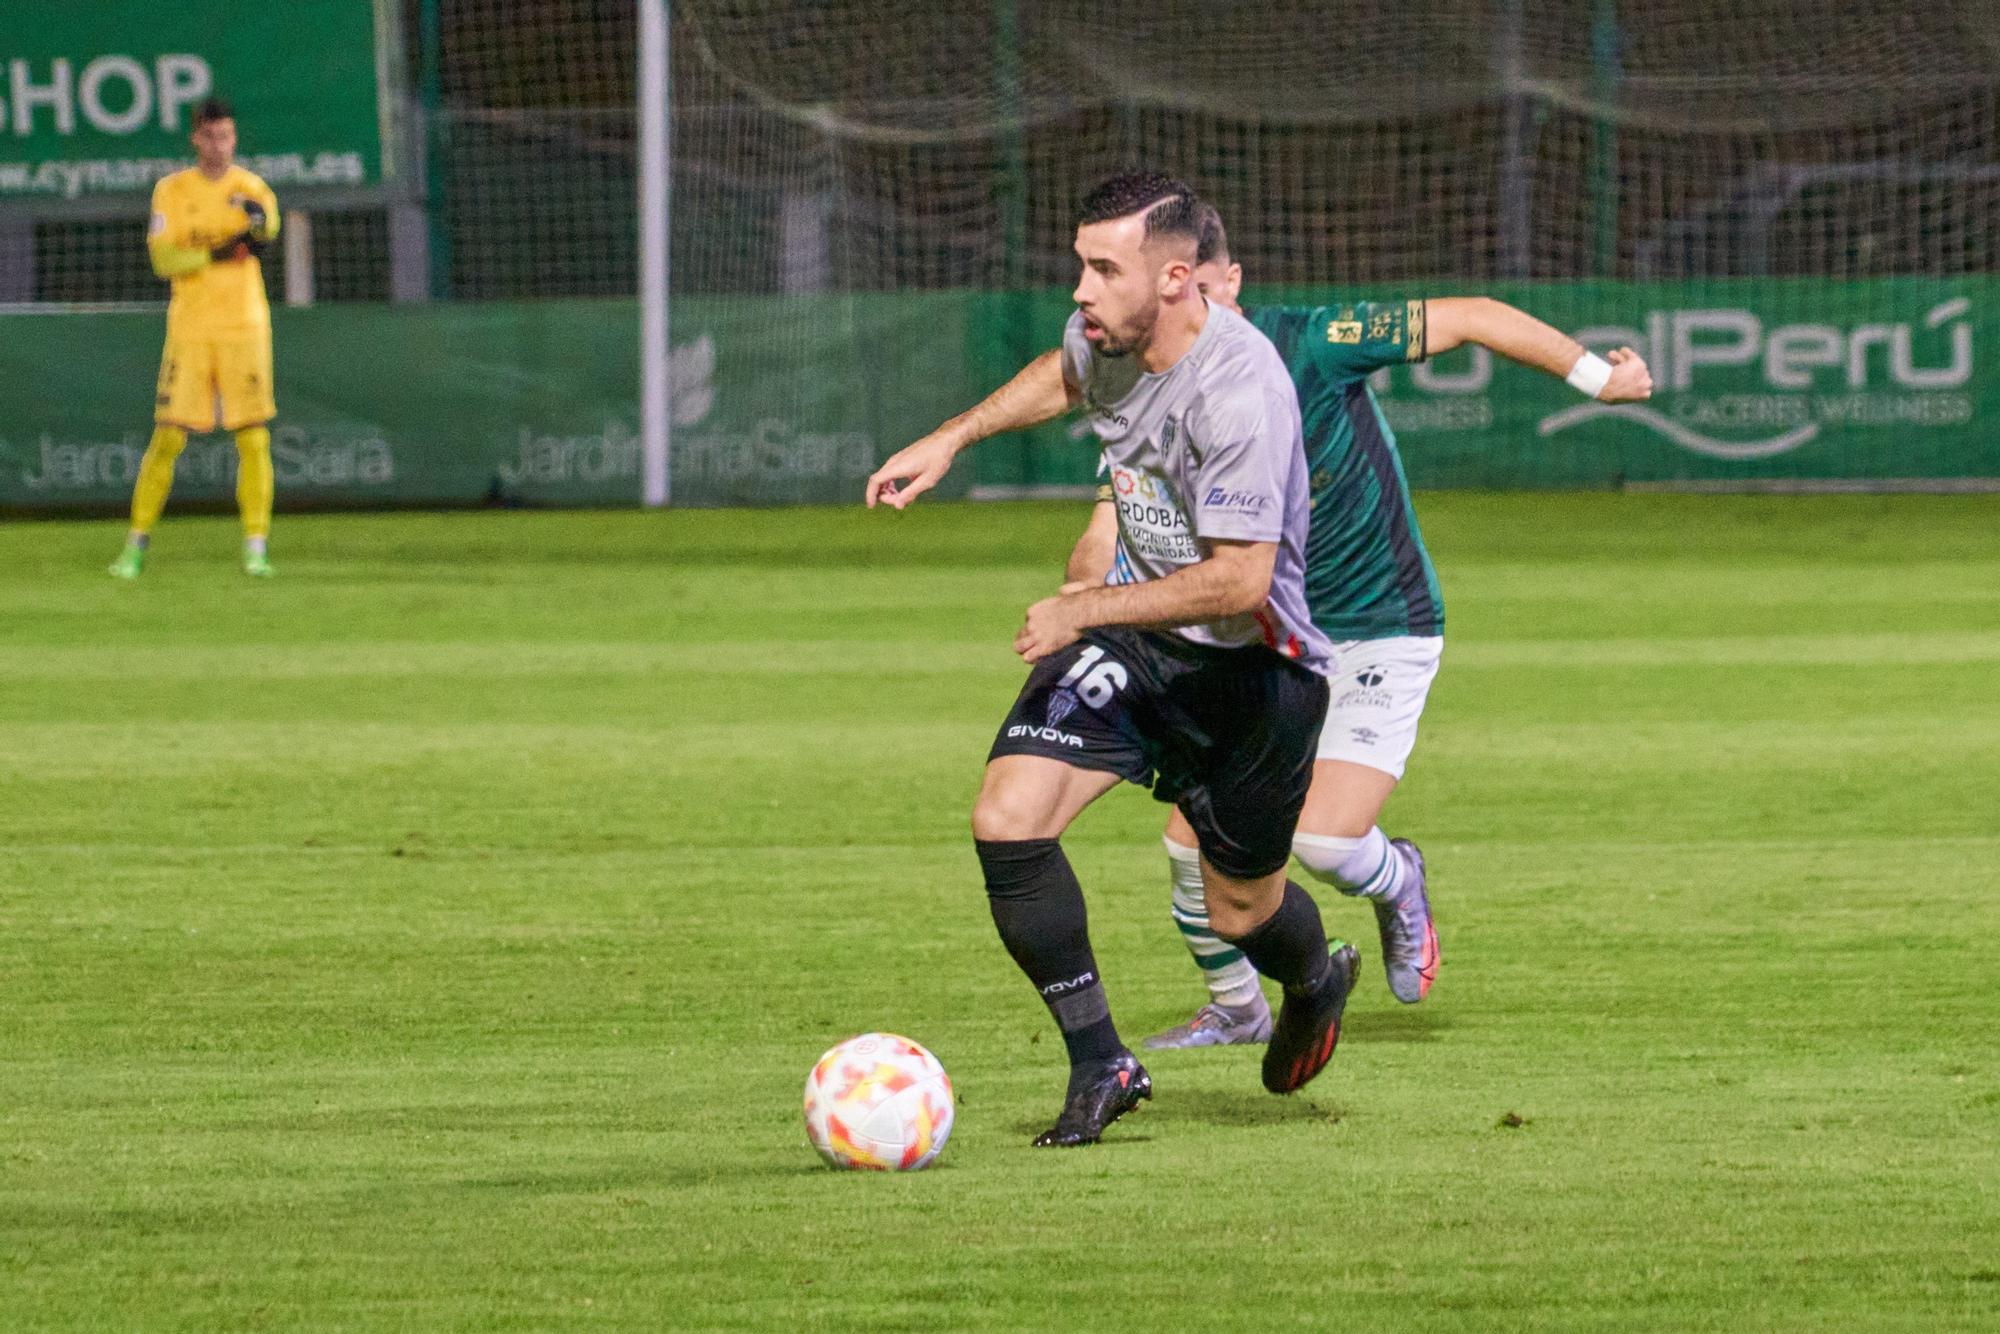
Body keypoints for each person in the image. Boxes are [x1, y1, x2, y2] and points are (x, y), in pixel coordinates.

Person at [895, 201, 1655, 1050]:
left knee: (1324, 839)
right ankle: (1236, 1011)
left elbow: (1473, 316)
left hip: (1374, 624)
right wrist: (1082, 596)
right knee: (1193, 849)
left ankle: (1397, 877)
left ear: (1223, 283)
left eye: (1211, 295)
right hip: (1254, 645)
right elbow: (1110, 521)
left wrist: (1601, 379)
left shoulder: (1313, 344)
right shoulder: (1149, 377)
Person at [866, 172, 1353, 1146]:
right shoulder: (1106, 338)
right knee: (1007, 817)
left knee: (1242, 908)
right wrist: (951, 437)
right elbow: (1063, 374)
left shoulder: (1241, 389)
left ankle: (1311, 978)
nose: (1079, 290)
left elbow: (1241, 583)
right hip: (1136, 646)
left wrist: (1084, 603)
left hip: (1254, 677)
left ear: (1175, 280)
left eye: (1101, 269)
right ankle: (1101, 1060)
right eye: (1077, 265)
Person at [108, 97, 281, 580]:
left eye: (226, 136)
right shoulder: (172, 190)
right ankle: (135, 548)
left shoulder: (252, 188)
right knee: (167, 438)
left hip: (244, 326)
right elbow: (165, 261)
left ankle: (255, 548)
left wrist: (251, 234)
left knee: (253, 438)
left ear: (234, 138)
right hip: (190, 329)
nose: (219, 145)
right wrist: (224, 251)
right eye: (210, 136)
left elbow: (266, 235)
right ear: (195, 139)